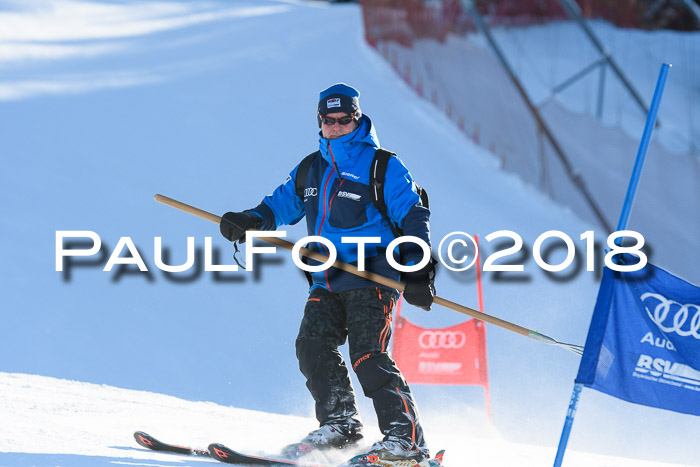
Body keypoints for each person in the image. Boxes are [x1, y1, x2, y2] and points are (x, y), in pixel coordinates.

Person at [219, 83, 436, 463]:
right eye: (329, 120)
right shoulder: (310, 169)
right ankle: (340, 426)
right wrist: (248, 220)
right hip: (327, 278)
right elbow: (278, 207)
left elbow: (414, 215)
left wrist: (418, 270)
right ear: (319, 121)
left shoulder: (382, 165)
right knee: (312, 345)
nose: (336, 126)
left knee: (368, 355)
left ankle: (406, 441)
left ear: (357, 118)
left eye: (344, 119)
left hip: (374, 279)